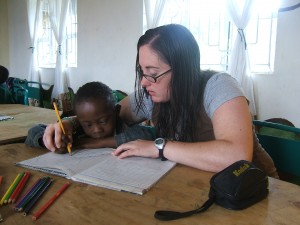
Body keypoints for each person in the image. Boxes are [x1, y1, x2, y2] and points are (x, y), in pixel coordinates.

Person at [43, 24, 278, 178]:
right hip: (196, 184)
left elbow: (236, 156)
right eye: (141, 72)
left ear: (183, 70)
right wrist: (69, 125)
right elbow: (110, 114)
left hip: (252, 191)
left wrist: (159, 147)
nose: (144, 82)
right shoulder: (153, 94)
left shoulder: (219, 87)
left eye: (152, 73)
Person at [25, 81, 155, 153]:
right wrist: (50, 141)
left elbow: (148, 134)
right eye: (88, 124)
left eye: (103, 121)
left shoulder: (122, 127)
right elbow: (33, 132)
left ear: (116, 112)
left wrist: (98, 143)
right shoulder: (76, 131)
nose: (97, 129)